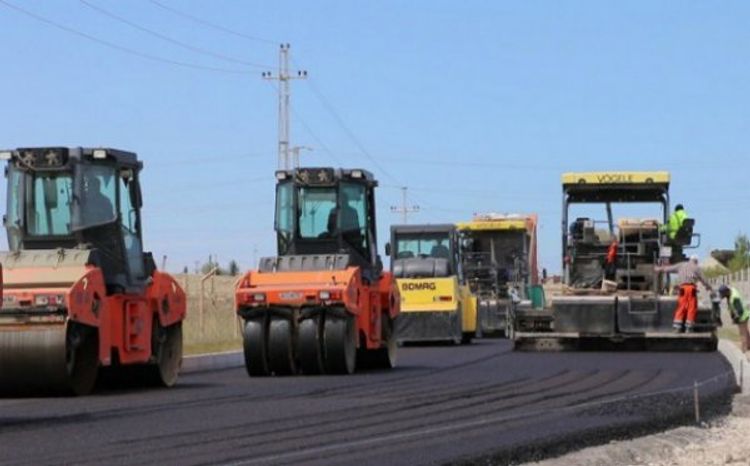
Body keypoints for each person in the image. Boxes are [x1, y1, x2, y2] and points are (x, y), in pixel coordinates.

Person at [654, 255, 713, 332]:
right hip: (691, 289)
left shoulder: (681, 265)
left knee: (681, 306)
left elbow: (668, 269)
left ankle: (677, 327)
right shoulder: (697, 267)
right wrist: (709, 287)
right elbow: (704, 280)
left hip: (682, 289)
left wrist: (658, 269)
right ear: (696, 261)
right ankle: (689, 328)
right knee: (691, 307)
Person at [719, 285, 750, 352]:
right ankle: (748, 345)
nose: (723, 296)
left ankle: (743, 350)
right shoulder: (730, 291)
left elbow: (740, 311)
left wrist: (735, 319)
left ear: (726, 292)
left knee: (742, 333)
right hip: (744, 313)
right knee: (745, 331)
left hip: (743, 316)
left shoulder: (734, 297)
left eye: (723, 295)